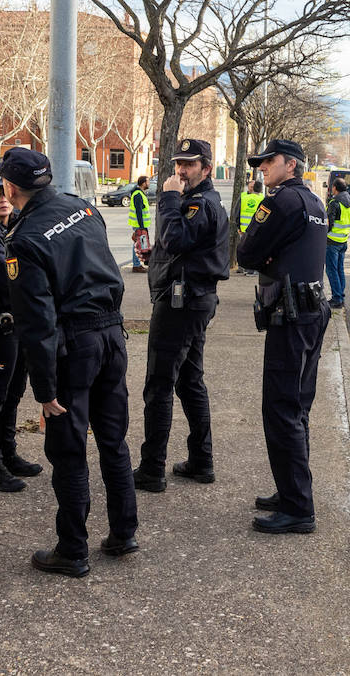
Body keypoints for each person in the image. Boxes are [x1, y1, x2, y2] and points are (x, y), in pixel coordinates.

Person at [1, 147, 138, 576]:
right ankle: (123, 533)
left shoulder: (23, 240)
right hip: (111, 335)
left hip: (74, 345)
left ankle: (72, 549)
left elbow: (37, 322)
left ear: (9, 187)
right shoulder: (81, 208)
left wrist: (44, 390)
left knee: (69, 450)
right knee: (114, 440)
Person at [237, 139, 330, 535]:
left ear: (289, 165)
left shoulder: (280, 202)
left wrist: (265, 255)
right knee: (297, 407)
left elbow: (246, 253)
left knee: (281, 409)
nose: (261, 168)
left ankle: (297, 507)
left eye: (267, 162)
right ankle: (291, 490)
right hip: (310, 312)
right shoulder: (314, 203)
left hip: (291, 317)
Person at [134, 138, 229, 493]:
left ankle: (152, 469)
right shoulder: (197, 202)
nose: (180, 171)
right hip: (190, 298)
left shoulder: (198, 204)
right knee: (189, 381)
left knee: (159, 385)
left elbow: (174, 238)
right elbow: (177, 248)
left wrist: (170, 198)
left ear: (206, 168)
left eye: (189, 165)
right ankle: (201, 461)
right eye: (177, 164)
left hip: (182, 303)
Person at [0, 160, 42, 493]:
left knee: (14, 394)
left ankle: (9, 455)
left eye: (4, 192)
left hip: (21, 323)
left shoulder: (16, 224)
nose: (2, 199)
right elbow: (10, 275)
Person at [323, 178, 350, 308]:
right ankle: (340, 295)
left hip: (332, 242)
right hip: (343, 241)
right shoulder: (349, 201)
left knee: (331, 270)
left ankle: (336, 298)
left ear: (335, 187)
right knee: (340, 269)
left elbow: (328, 224)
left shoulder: (334, 202)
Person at [237, 181, 265, 274]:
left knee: (244, 249)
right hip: (257, 229)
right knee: (255, 250)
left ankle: (244, 268)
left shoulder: (244, 197)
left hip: (244, 228)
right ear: (261, 189)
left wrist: (239, 226)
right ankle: (252, 270)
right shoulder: (263, 199)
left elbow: (237, 212)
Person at [128, 175, 151, 273]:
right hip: (138, 224)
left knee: (140, 243)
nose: (149, 183)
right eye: (148, 181)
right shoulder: (138, 194)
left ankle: (139, 264)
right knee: (138, 244)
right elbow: (139, 212)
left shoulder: (140, 193)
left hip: (140, 224)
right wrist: (142, 227)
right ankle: (136, 265)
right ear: (143, 183)